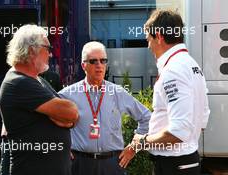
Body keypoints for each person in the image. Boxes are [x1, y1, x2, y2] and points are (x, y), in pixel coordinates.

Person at [131, 9, 210, 175]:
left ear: (159, 36)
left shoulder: (173, 70)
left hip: (173, 166)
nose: (148, 46)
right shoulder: (191, 65)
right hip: (184, 163)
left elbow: (178, 131)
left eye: (148, 40)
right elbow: (201, 122)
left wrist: (143, 141)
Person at [58, 41, 151, 175]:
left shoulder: (117, 92)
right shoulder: (67, 94)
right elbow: (49, 124)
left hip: (112, 164)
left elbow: (147, 117)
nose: (99, 66)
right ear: (84, 65)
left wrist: (134, 147)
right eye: (93, 61)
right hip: (80, 164)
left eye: (103, 61)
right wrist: (62, 146)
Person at [0, 24, 79, 175]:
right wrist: (62, 117)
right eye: (48, 48)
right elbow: (71, 112)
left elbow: (72, 117)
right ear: (31, 50)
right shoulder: (18, 82)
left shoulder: (37, 80)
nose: (51, 54)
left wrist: (63, 118)